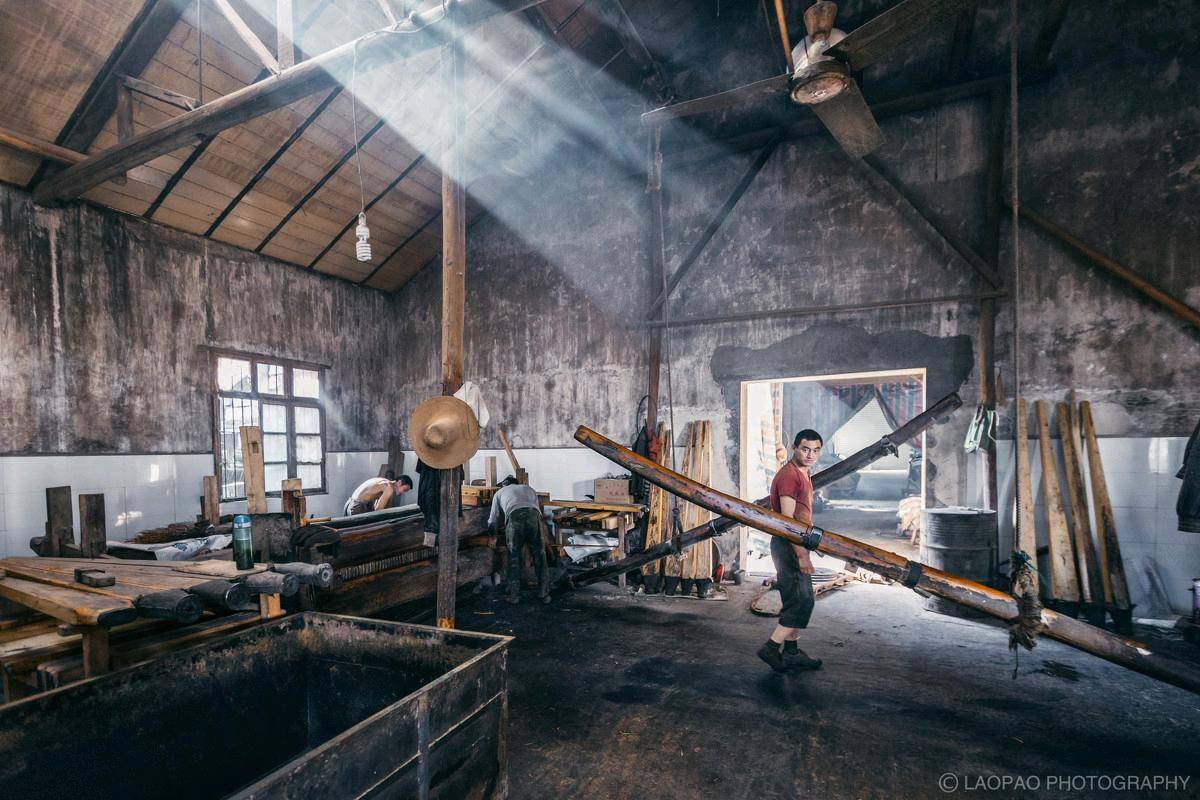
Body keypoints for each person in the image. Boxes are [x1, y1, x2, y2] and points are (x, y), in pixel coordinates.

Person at [758, 429, 824, 673]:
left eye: (815, 450)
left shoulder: (803, 473)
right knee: (802, 601)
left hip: (796, 543)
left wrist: (813, 543)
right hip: (789, 546)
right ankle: (771, 647)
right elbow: (789, 523)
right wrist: (802, 554)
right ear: (795, 448)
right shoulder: (789, 476)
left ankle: (792, 652)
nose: (810, 454)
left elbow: (801, 516)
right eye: (805, 449)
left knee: (796, 598)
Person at [489, 476, 549, 605]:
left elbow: (493, 518)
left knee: (514, 557)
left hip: (515, 517)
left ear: (503, 485)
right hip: (534, 517)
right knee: (540, 555)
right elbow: (537, 510)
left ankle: (514, 596)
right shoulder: (529, 489)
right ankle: (544, 593)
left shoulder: (499, 493)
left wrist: (493, 536)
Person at [344, 475, 412, 517]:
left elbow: (375, 507)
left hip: (349, 504)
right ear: (399, 482)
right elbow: (379, 511)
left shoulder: (383, 481)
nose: (403, 493)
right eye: (405, 489)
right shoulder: (389, 488)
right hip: (356, 507)